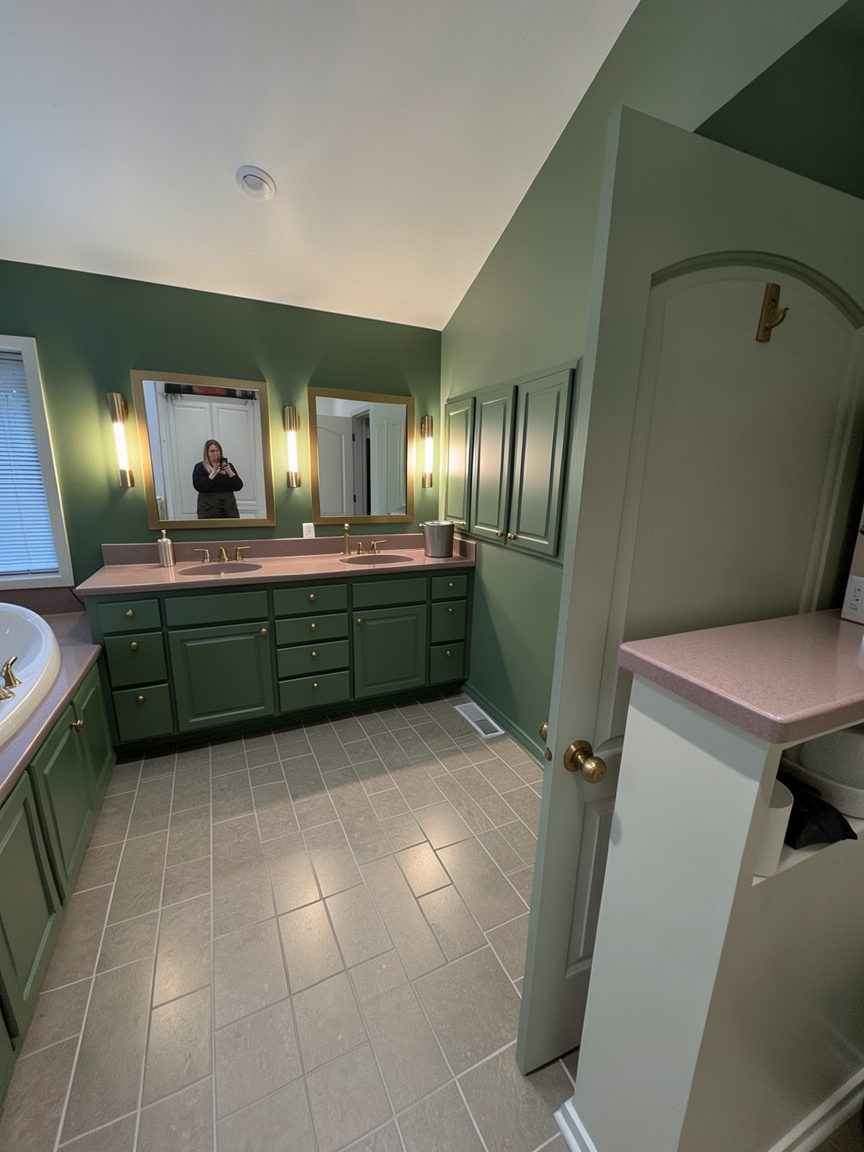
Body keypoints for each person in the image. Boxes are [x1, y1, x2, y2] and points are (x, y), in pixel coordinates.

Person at [192, 440, 243, 518]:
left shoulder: (228, 466)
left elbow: (238, 486)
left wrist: (229, 472)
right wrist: (213, 474)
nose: (215, 453)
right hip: (208, 508)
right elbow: (198, 486)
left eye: (217, 451)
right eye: (212, 451)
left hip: (228, 507)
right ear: (207, 453)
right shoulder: (200, 467)